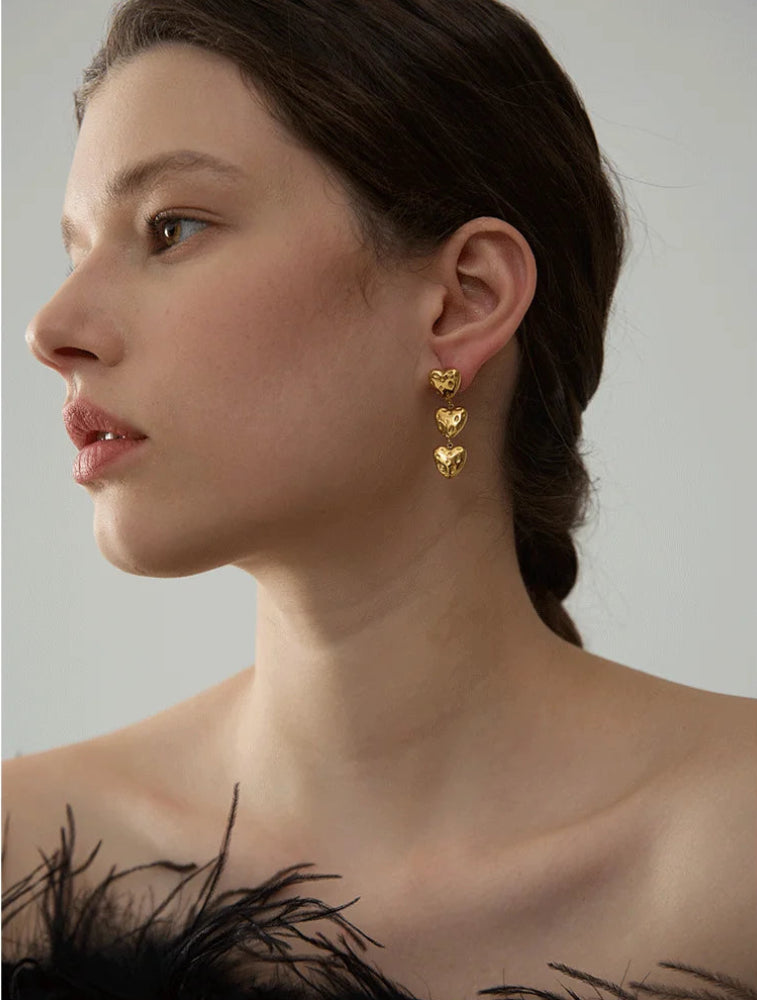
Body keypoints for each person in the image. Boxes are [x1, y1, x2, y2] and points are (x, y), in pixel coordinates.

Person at [2, 1, 756, 997]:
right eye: (75, 249)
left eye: (169, 228)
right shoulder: (24, 860)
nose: (52, 328)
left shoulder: (734, 854)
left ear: (462, 301)